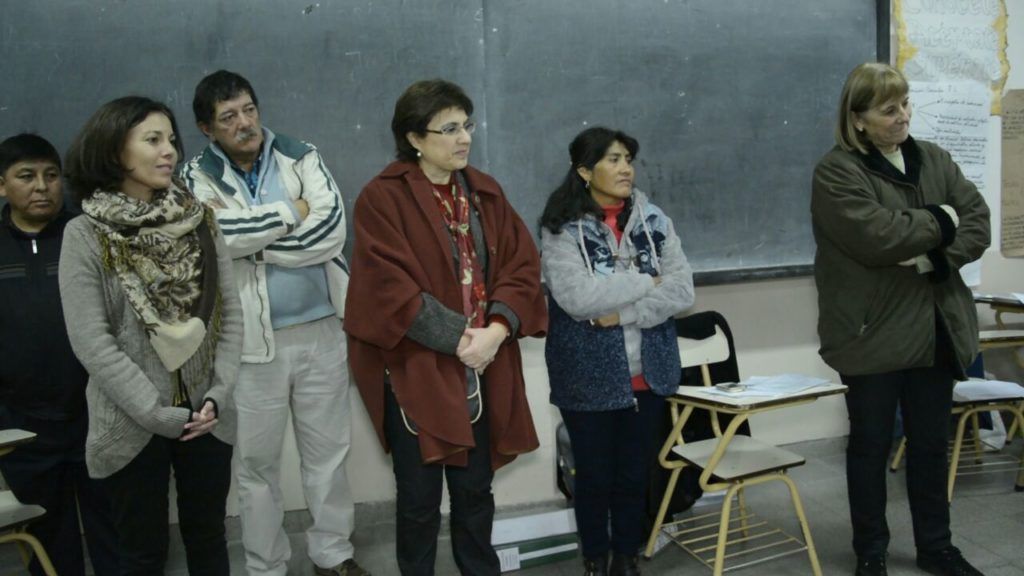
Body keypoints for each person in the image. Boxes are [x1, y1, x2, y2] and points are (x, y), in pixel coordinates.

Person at [345, 79, 547, 575]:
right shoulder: (382, 198)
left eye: (467, 125)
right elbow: (388, 289)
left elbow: (521, 266)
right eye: (450, 129)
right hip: (416, 366)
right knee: (418, 499)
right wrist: (460, 339)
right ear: (415, 138)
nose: (465, 138)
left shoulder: (484, 192)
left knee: (475, 491)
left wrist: (496, 331)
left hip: (484, 359)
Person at [180, 70, 367, 576]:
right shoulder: (195, 175)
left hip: (322, 331)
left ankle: (333, 555)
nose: (245, 123)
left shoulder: (300, 155)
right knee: (256, 466)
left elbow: (330, 233)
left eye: (249, 109)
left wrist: (256, 246)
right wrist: (292, 212)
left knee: (329, 454)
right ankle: (266, 567)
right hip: (247, 344)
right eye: (228, 117)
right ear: (206, 128)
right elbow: (213, 237)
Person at [811, 62, 990, 576]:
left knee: (931, 446)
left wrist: (934, 257)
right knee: (870, 446)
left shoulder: (934, 158)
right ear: (858, 118)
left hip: (934, 329)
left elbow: (978, 223)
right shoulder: (837, 171)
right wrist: (941, 218)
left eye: (906, 104)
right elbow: (876, 236)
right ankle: (871, 552)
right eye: (889, 110)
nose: (903, 116)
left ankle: (937, 547)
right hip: (870, 333)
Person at [58, 96, 243, 575]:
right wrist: (154, 411)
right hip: (132, 419)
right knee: (141, 553)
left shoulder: (200, 220)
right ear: (115, 150)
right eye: (153, 140)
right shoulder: (84, 233)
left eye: (171, 140)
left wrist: (218, 394)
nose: (169, 152)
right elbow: (91, 340)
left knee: (209, 538)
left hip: (207, 414)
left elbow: (230, 317)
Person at [540, 127, 694, 576]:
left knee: (634, 474)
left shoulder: (655, 220)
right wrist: (648, 280)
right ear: (585, 171)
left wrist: (624, 312)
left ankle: (626, 557)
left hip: (649, 370)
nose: (626, 168)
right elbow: (577, 298)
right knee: (593, 476)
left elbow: (683, 290)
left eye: (628, 158)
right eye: (613, 159)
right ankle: (595, 557)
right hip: (586, 374)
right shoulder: (561, 227)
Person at [0, 133, 120, 576]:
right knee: (49, 541)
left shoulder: (87, 235)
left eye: (51, 176)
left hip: (96, 413)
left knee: (115, 531)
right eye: (26, 176)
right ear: (1, 184)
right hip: (23, 424)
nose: (41, 187)